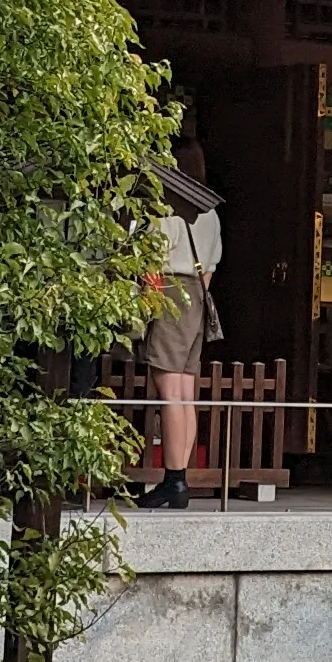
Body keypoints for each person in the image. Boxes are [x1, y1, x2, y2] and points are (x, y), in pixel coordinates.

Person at [135, 154, 224, 510]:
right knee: (186, 391)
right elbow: (210, 268)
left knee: (169, 391)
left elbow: (151, 268)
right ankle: (180, 477)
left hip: (169, 293)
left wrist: (147, 307)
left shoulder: (165, 210)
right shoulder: (211, 215)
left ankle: (173, 479)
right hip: (199, 295)